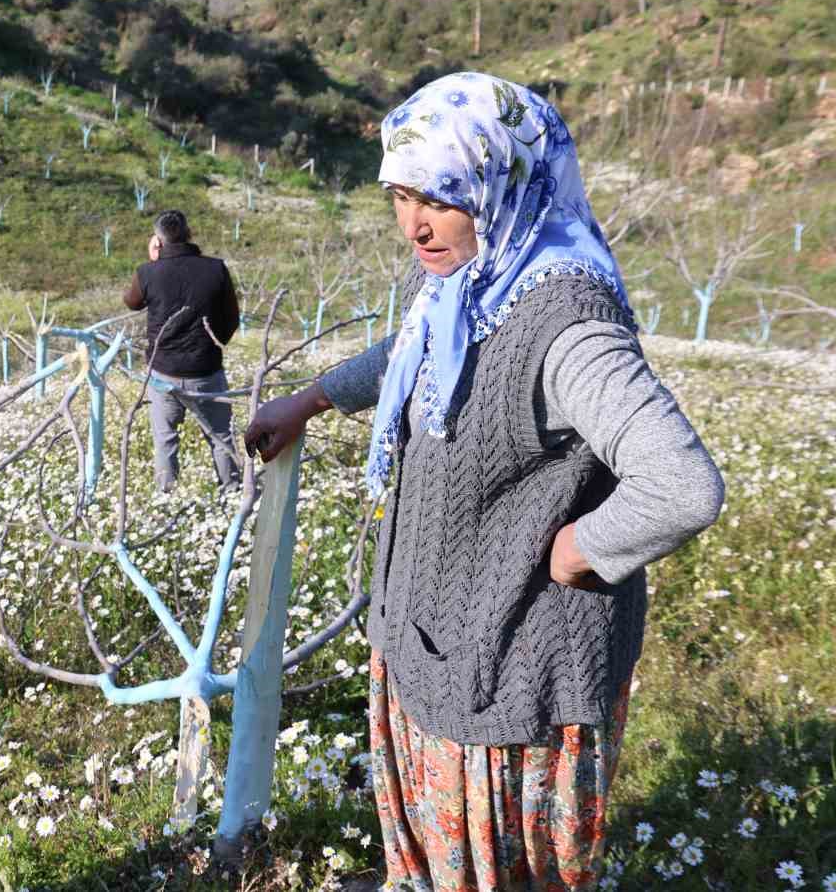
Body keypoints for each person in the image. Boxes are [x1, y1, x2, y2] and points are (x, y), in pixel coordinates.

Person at [245, 72, 724, 892]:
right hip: (445, 636)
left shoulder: (567, 323)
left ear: (501, 180)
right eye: (400, 196)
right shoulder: (477, 278)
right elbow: (418, 354)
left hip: (516, 671)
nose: (415, 224)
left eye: (440, 196)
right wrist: (316, 397)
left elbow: (683, 484)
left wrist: (579, 550)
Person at [123, 209, 243, 493]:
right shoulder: (216, 268)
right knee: (221, 438)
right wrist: (214, 344)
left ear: (158, 240)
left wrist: (153, 261)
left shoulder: (148, 273)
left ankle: (167, 499)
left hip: (163, 372)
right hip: (207, 371)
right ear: (189, 234)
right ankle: (233, 494)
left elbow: (132, 302)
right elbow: (232, 318)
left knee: (165, 439)